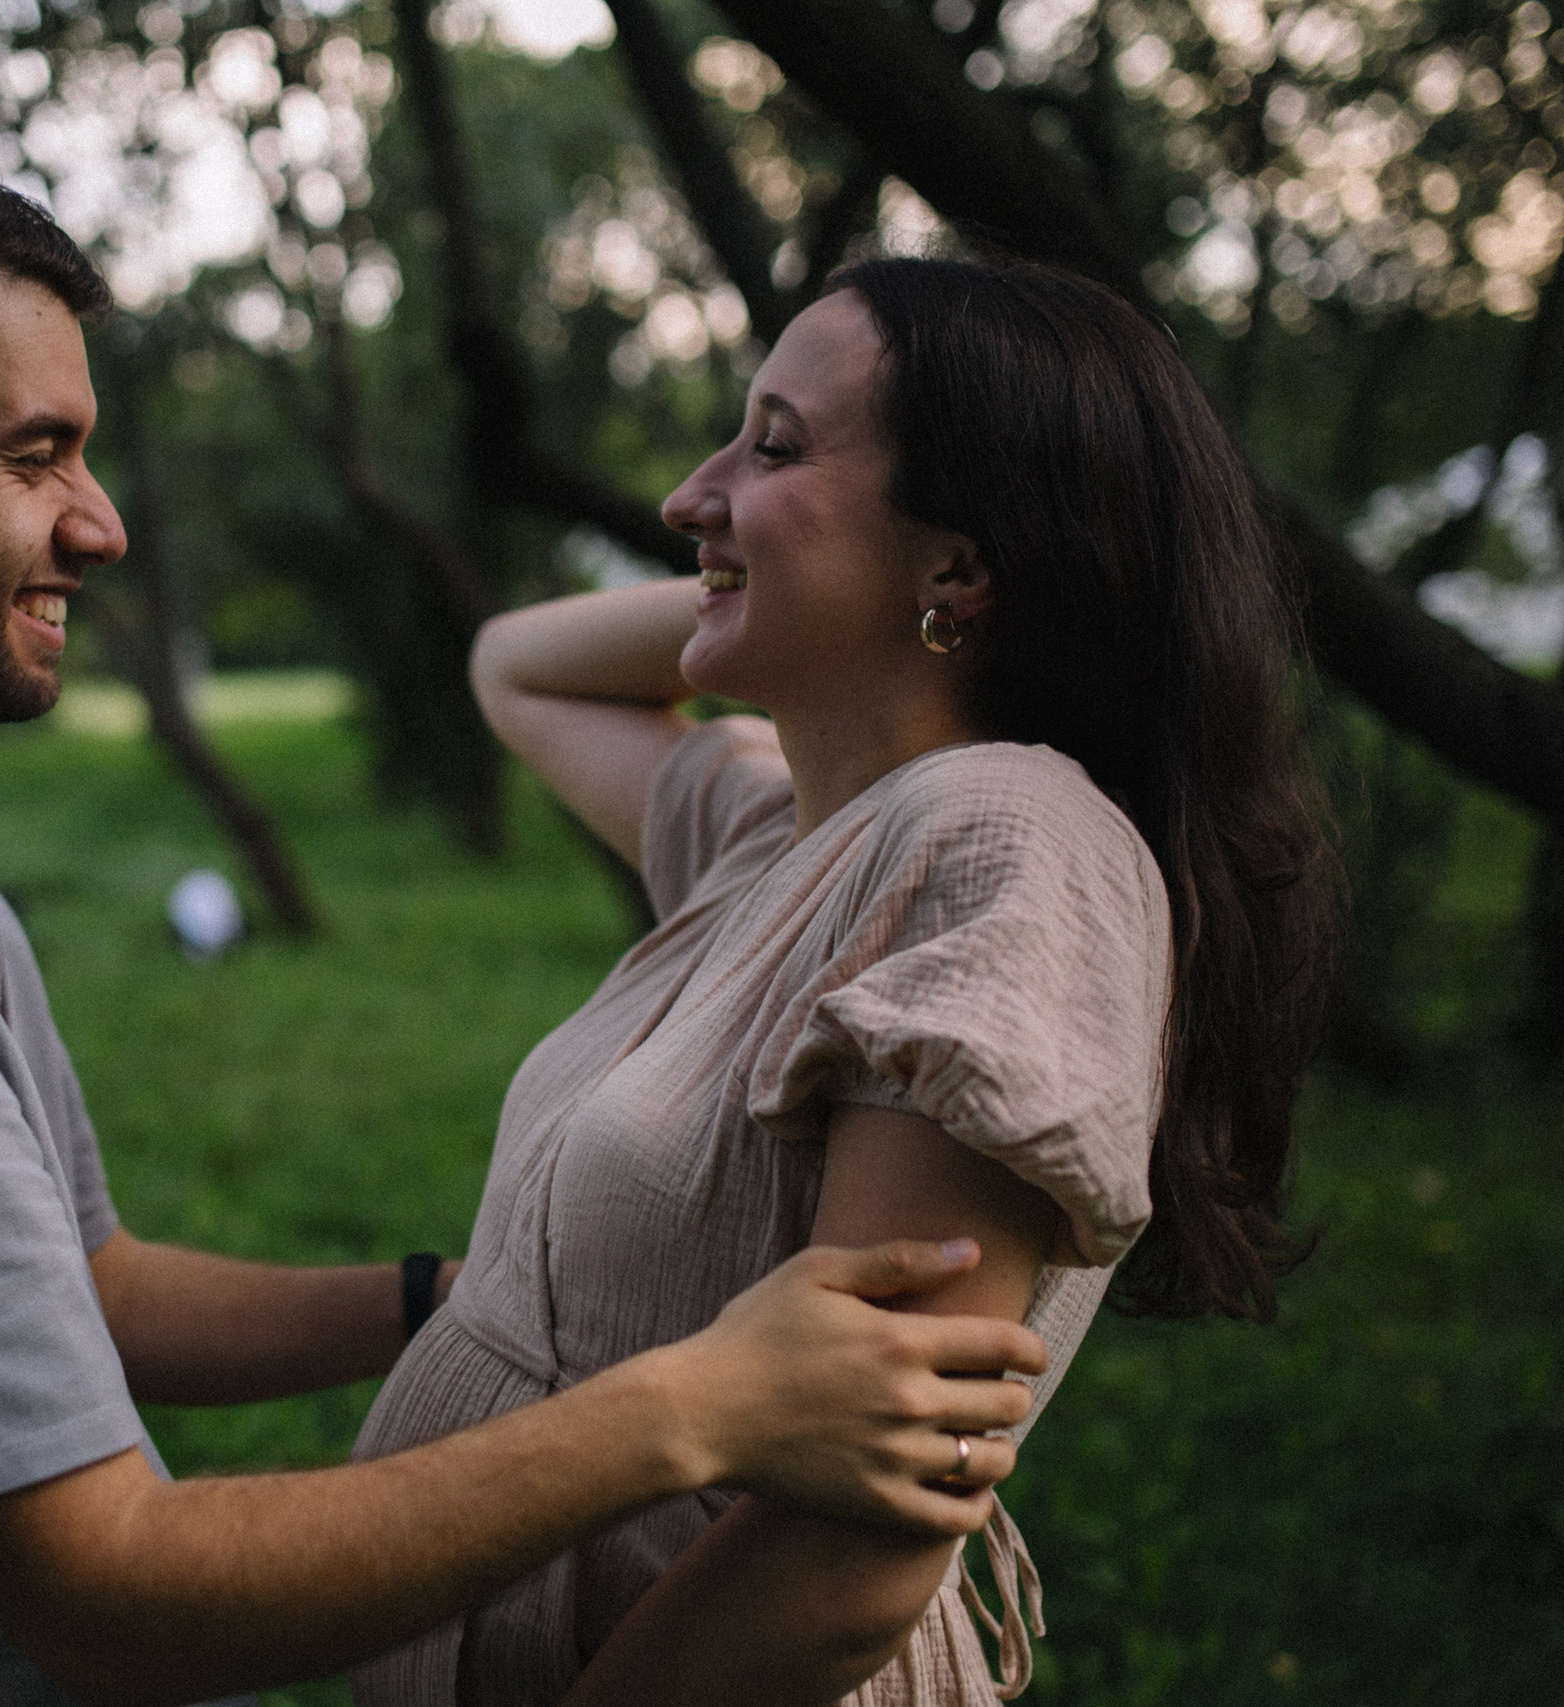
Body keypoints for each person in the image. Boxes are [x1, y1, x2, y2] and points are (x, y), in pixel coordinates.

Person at [0, 135, 1057, 1707]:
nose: (99, 525)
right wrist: (692, 1408)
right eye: (35, 456)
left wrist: (454, 1302)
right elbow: (118, 1598)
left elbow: (95, 1292)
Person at [349, 259, 1337, 1706]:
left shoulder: (1005, 841)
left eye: (774, 444)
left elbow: (847, 1554)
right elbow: (518, 667)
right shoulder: (785, 830)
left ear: (961, 566)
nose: (687, 496)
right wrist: (762, 567)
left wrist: (775, 575)